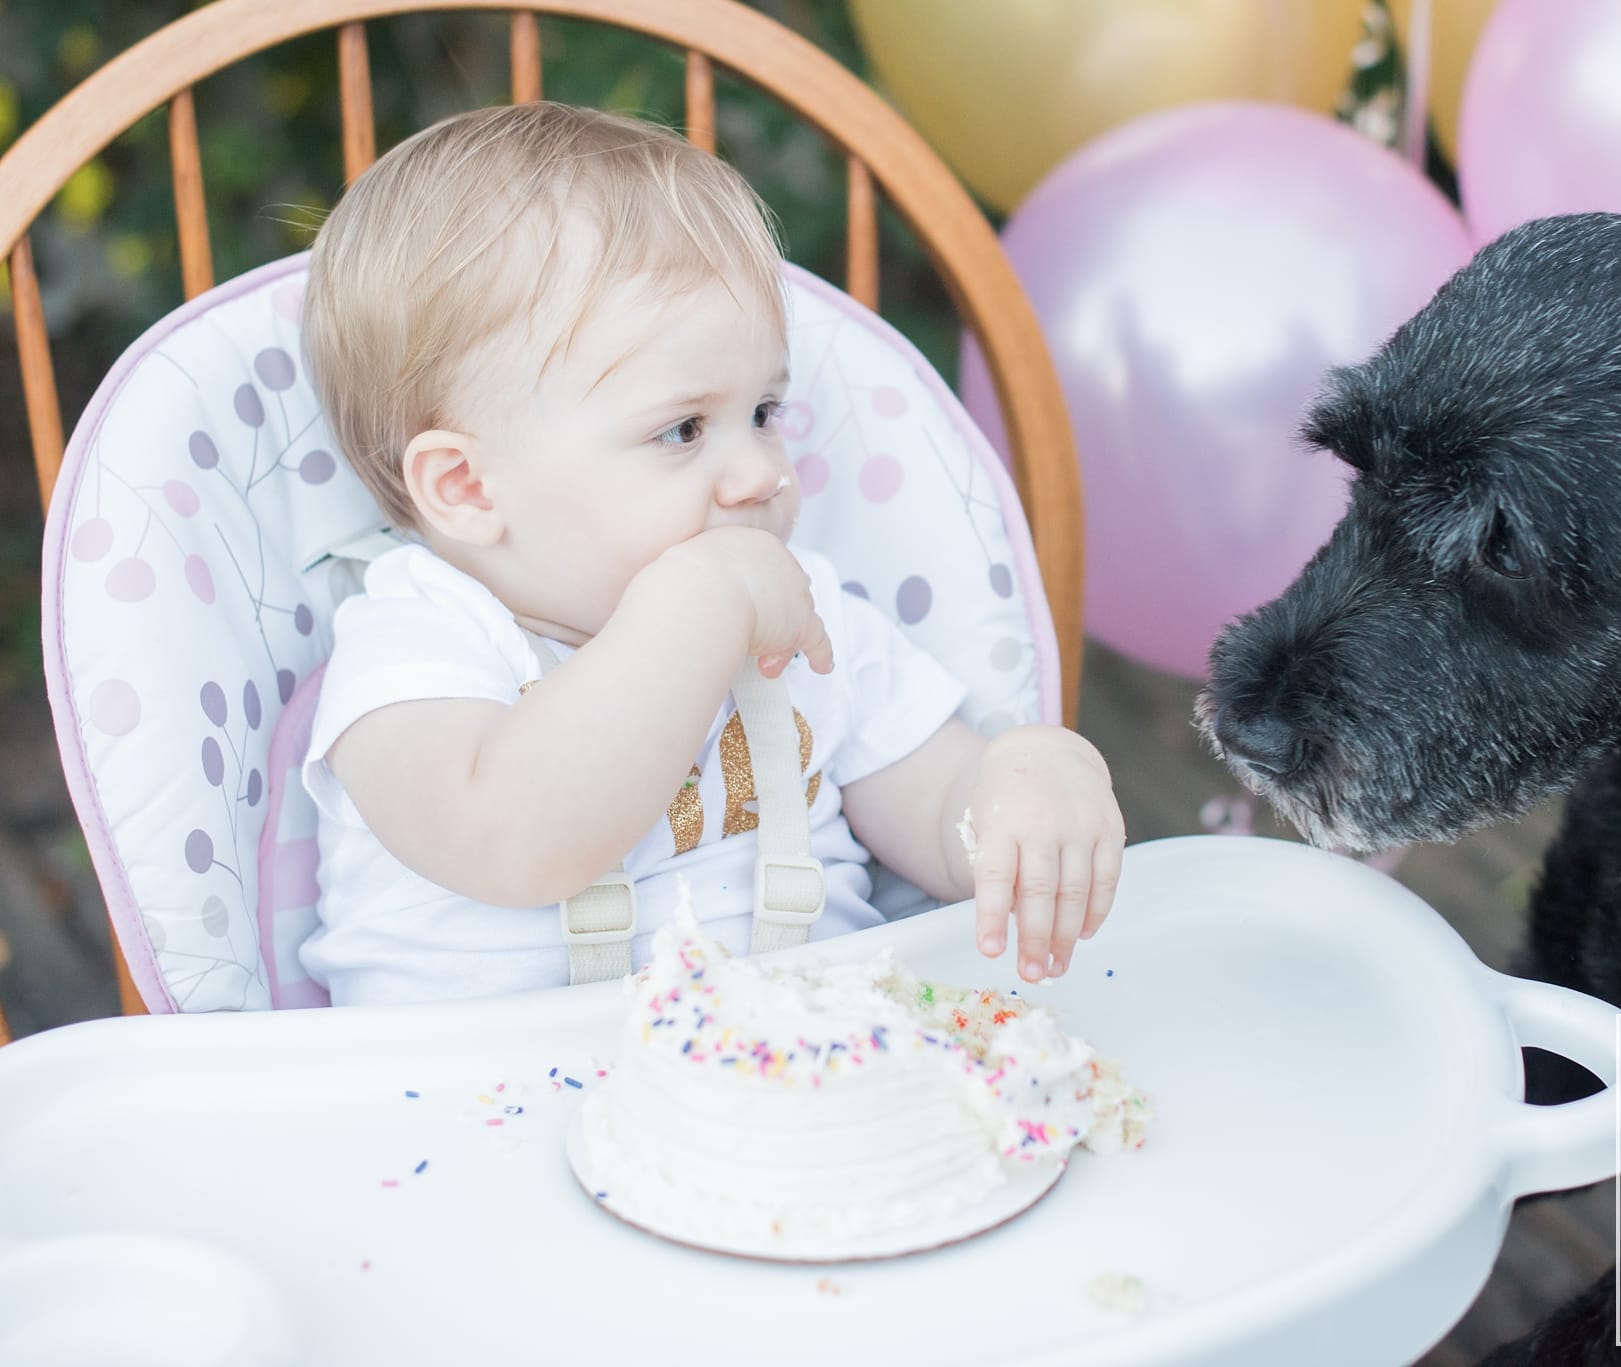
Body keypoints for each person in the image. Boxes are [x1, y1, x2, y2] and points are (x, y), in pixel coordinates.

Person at [297, 102, 1123, 1005]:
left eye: (765, 412)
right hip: (467, 1112)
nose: (760, 472)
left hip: (808, 1082)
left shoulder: (809, 615)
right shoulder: (416, 644)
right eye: (683, 429)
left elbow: (939, 810)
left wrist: (1025, 781)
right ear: (467, 488)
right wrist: (694, 608)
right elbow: (511, 841)